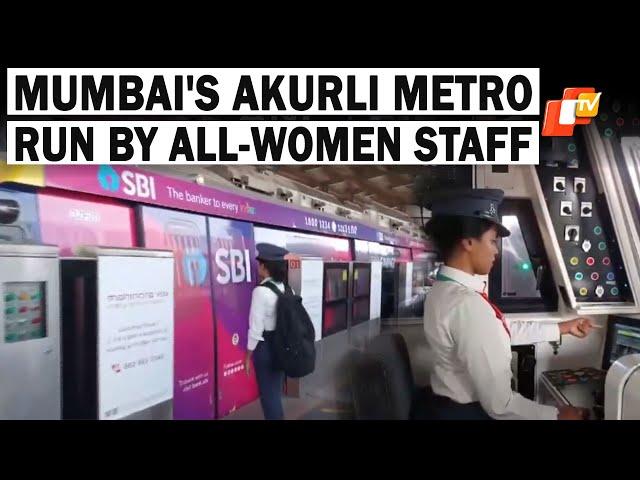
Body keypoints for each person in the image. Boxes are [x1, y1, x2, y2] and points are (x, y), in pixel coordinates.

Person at [422, 188, 593, 420]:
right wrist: (559, 415)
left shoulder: (444, 289)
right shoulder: (466, 304)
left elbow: (499, 331)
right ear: (469, 242)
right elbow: (500, 405)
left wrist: (563, 327)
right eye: (492, 241)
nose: (496, 250)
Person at [244, 243, 289, 420]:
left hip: (266, 348)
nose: (258, 267)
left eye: (260, 263)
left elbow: (256, 329)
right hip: (281, 346)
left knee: (269, 397)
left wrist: (248, 355)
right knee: (275, 393)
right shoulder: (285, 288)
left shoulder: (260, 292)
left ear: (265, 266)